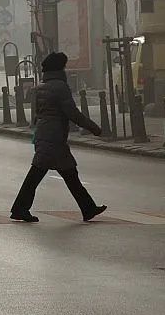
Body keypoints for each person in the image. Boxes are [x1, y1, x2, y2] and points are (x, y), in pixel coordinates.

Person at [10, 52, 107, 223]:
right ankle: (19, 209)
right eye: (64, 66)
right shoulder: (60, 87)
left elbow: (37, 115)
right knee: (39, 174)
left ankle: (88, 208)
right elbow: (72, 113)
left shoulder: (40, 87)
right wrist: (94, 128)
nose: (66, 70)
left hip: (45, 134)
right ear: (59, 68)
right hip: (53, 138)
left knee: (68, 173)